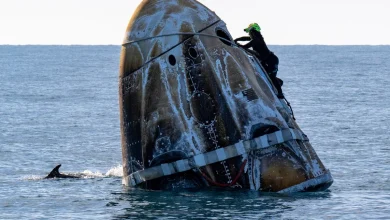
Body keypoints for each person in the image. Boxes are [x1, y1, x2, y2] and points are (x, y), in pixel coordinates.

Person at [234, 23, 284, 98]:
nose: (249, 34)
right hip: (265, 61)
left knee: (271, 76)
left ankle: (280, 93)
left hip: (271, 60)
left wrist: (238, 44)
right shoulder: (256, 39)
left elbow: (245, 47)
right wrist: (237, 39)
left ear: (253, 32)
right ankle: (279, 82)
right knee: (268, 76)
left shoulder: (256, 40)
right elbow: (246, 38)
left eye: (250, 32)